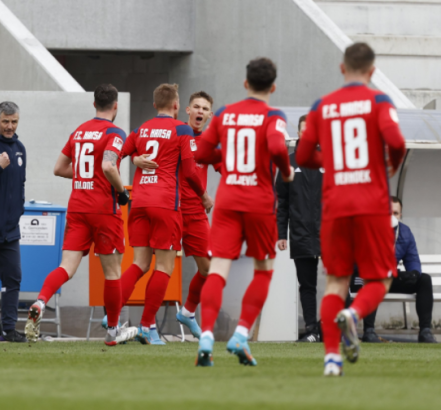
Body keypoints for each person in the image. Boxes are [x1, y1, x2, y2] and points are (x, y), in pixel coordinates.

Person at [296, 42, 407, 376]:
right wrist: (391, 163)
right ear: (372, 71)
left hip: (335, 206)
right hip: (371, 204)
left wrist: (329, 160)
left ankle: (332, 359)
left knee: (335, 283)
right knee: (382, 278)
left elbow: (302, 156)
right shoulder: (379, 101)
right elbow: (397, 142)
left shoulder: (322, 106)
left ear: (342, 68)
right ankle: (354, 314)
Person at [193, 57, 294, 367]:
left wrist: (228, 153)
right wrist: (286, 172)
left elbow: (203, 152)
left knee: (218, 269)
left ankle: (206, 335)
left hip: (228, 202)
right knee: (263, 270)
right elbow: (277, 147)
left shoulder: (224, 113)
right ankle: (240, 334)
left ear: (245, 83)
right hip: (259, 203)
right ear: (273, 87)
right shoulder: (274, 115)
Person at [24, 85, 138, 345]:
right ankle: (113, 331)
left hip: (77, 207)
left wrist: (86, 177)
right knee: (112, 272)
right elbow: (109, 165)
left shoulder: (78, 131)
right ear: (116, 106)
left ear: (94, 104)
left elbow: (59, 168)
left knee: (66, 266)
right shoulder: (114, 132)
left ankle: (40, 302)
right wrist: (121, 192)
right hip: (103, 209)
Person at [119, 83, 213, 345]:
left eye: (205, 109)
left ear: (209, 115)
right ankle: (146, 325)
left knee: (207, 268)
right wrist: (136, 157)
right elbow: (187, 170)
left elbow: (227, 168)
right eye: (196, 106)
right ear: (183, 108)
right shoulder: (179, 131)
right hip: (169, 205)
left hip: (186, 211)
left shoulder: (210, 143)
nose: (200, 111)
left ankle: (187, 312)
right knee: (159, 267)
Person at [351, 196, 436, 344]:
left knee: (424, 280)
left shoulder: (405, 232)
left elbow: (412, 259)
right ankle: (369, 332)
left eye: (395, 213)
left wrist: (414, 273)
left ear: (400, 215)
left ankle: (425, 332)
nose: (391, 216)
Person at [276, 114, 324, 342]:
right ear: (299, 132)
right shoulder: (289, 163)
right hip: (301, 234)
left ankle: (337, 328)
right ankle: (312, 330)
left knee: (339, 281)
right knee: (307, 285)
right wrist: (281, 234)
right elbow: (282, 202)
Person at [0, 101, 27, 343]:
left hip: (10, 230)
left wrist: (18, 212)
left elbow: (20, 185)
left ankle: (9, 331)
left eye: (14, 122)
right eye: (5, 121)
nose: (10, 126)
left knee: (13, 278)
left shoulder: (20, 148)